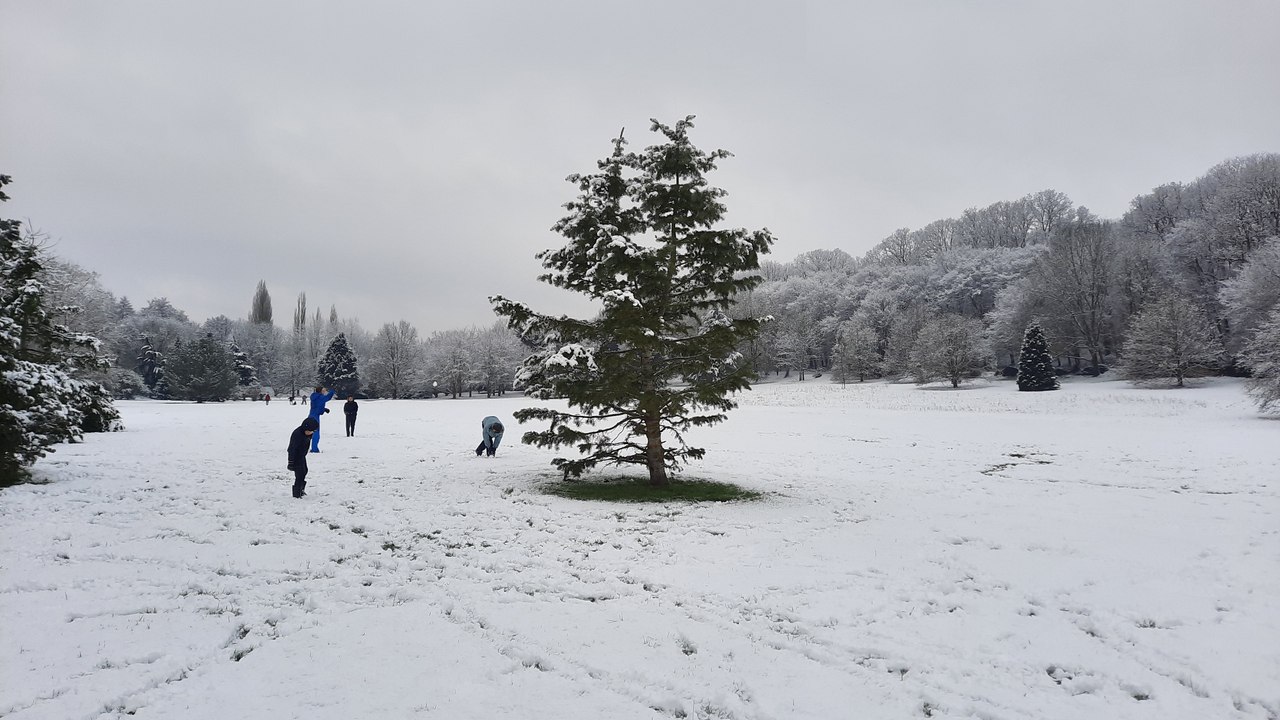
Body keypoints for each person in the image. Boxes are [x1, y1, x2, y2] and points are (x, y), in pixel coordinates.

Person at [287, 417, 319, 498]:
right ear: (305, 428)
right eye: (310, 431)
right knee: (299, 474)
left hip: (302, 455)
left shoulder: (308, 433)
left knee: (305, 471)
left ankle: (301, 489)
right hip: (295, 457)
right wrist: (290, 462)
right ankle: (297, 494)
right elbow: (291, 449)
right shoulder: (297, 435)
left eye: (313, 431)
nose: (311, 433)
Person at [308, 385, 336, 452]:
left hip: (311, 415)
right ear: (321, 391)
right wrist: (332, 390)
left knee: (311, 432)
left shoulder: (314, 396)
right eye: (324, 390)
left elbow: (317, 406)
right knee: (316, 433)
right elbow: (328, 397)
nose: (325, 392)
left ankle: (311, 447)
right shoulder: (320, 397)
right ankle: (314, 449)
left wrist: (324, 409)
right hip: (315, 417)